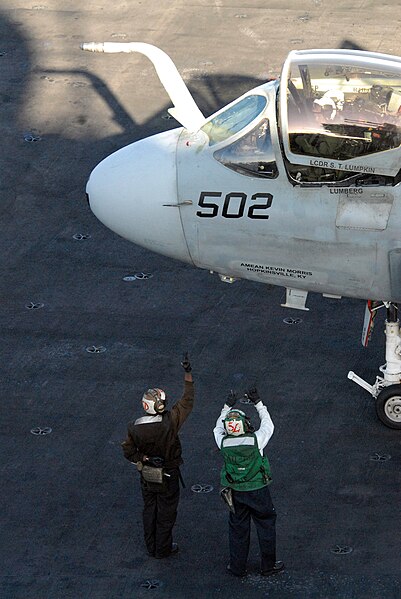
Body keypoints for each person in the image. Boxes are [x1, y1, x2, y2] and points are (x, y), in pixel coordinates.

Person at [121, 353, 194, 558]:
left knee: (149, 508)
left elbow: (128, 450)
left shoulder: (134, 428)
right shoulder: (169, 422)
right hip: (168, 472)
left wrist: (142, 459)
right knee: (166, 511)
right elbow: (187, 401)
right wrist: (188, 373)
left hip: (147, 473)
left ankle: (151, 545)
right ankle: (162, 549)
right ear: (160, 406)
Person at [213, 387, 284, 578]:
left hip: (235, 491)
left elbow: (217, 427)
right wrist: (259, 404)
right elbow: (268, 425)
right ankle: (268, 566)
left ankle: (237, 567)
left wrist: (226, 407)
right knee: (266, 524)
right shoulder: (256, 440)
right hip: (258, 489)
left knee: (238, 528)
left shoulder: (223, 443)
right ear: (245, 425)